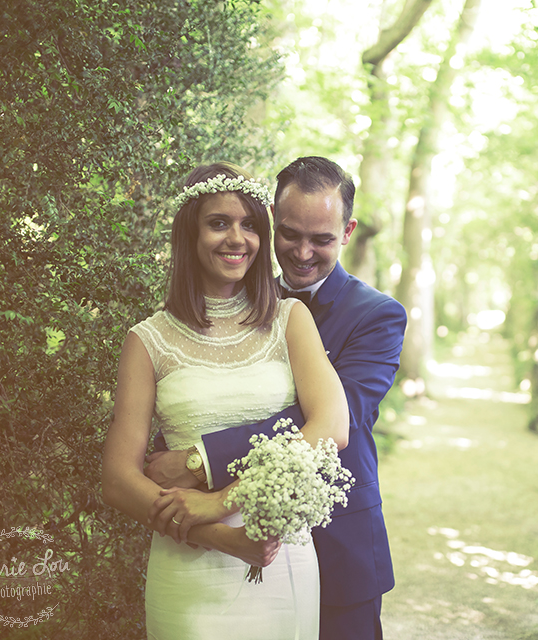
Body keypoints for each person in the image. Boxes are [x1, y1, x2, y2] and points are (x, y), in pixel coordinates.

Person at [144, 156, 407, 639]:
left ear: (347, 232)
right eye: (290, 235)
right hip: (225, 550)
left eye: (322, 239)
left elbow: (332, 417)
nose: (303, 252)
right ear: (270, 222)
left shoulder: (378, 316)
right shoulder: (231, 301)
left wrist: (205, 460)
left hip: (339, 541)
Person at [102, 161, 349, 640]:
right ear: (189, 235)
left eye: (250, 225)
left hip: (281, 556)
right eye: (219, 223)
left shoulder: (290, 319)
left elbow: (331, 426)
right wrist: (219, 535)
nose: (237, 239)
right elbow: (118, 479)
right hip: (188, 563)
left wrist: (222, 502)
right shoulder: (147, 340)